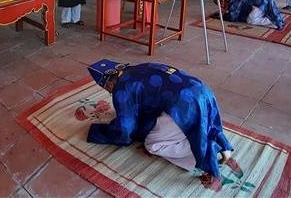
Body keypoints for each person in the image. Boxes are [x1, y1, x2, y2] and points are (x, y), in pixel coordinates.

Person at [86, 59, 241, 191]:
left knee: (153, 144)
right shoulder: (137, 68)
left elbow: (125, 129)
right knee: (202, 121)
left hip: (183, 105)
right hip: (201, 89)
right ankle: (221, 145)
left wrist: (98, 131)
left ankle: (209, 149)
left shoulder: (121, 87)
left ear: (108, 83)